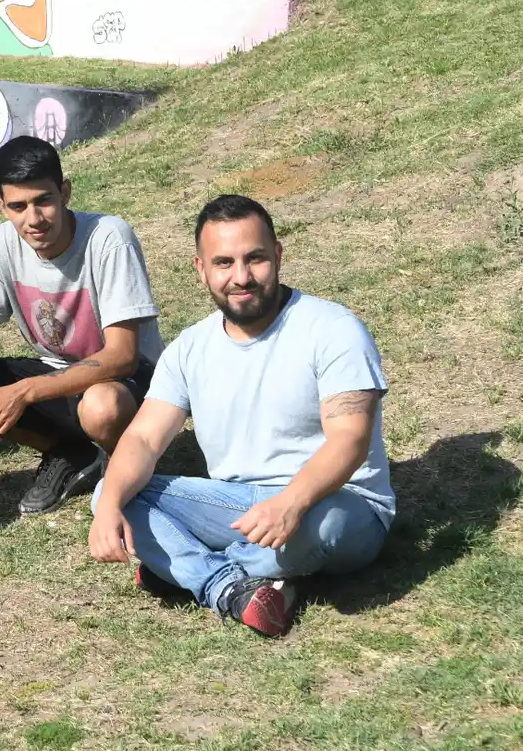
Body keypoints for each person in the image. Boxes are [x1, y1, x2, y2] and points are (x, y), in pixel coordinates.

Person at [89, 195, 393, 638]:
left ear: (279, 256)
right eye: (224, 263)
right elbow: (142, 440)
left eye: (256, 259)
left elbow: (350, 440)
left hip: (335, 504)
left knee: (323, 525)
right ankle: (229, 586)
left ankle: (182, 568)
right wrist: (110, 509)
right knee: (108, 493)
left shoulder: (332, 329)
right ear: (201, 269)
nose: (241, 277)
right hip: (239, 507)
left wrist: (292, 503)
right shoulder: (190, 348)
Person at [0, 135, 163, 515]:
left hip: (128, 383)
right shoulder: (2, 243)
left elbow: (123, 357)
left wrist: (24, 392)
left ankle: (131, 468)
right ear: (1, 206)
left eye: (43, 200)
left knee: (102, 406)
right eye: (18, 206)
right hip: (56, 376)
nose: (33, 219)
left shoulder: (109, 238)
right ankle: (66, 451)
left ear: (65, 192)